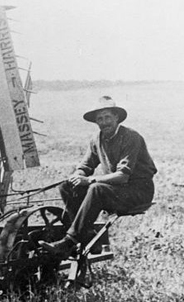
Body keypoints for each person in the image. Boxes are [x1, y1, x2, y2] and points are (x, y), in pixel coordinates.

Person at [40, 96, 157, 258]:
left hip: (137, 192)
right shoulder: (97, 139)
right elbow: (85, 166)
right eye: (99, 119)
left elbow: (123, 176)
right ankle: (89, 238)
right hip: (116, 191)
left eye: (107, 117)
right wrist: (77, 176)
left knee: (96, 188)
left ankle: (69, 242)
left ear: (116, 117)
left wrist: (89, 180)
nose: (104, 122)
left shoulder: (131, 137)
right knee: (67, 186)